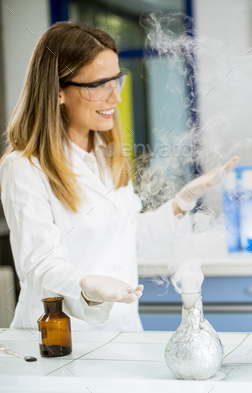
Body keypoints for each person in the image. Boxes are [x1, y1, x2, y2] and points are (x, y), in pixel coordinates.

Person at [0, 21, 238, 330]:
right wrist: (87, 285)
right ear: (58, 92)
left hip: (123, 328)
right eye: (100, 85)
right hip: (62, 335)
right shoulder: (24, 167)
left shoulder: (106, 152)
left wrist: (182, 202)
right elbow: (39, 264)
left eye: (117, 80)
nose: (116, 98)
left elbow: (126, 234)